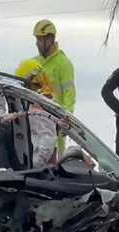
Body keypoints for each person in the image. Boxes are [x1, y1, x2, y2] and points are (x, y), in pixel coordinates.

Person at [32, 19, 75, 152]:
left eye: (40, 39)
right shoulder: (34, 63)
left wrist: (66, 119)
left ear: (50, 39)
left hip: (56, 122)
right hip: (36, 122)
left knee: (56, 160)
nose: (37, 43)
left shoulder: (64, 63)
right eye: (37, 39)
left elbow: (69, 95)